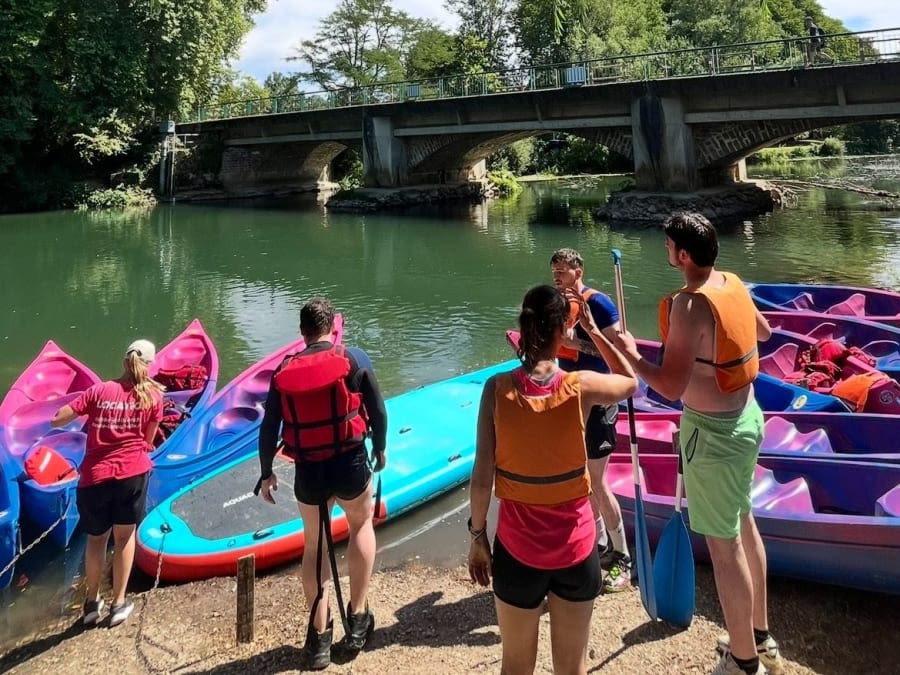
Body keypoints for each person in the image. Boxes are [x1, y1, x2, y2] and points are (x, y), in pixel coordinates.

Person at [613, 213, 782, 675]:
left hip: (714, 433)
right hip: (748, 418)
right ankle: (760, 638)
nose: (666, 251)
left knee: (725, 549)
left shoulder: (690, 305)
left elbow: (668, 386)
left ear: (682, 255)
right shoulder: (732, 282)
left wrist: (631, 356)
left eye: (669, 246)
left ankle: (744, 662)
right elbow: (763, 333)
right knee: (744, 523)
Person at [468, 284, 637, 675]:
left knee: (515, 666)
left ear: (523, 328)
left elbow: (481, 477)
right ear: (563, 330)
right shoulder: (582, 387)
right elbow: (630, 380)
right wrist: (595, 332)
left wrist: (478, 538)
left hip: (517, 551)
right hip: (577, 553)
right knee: (571, 668)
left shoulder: (496, 390)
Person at [257, 297, 387, 670]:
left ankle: (319, 639)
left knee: (314, 543)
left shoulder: (284, 369)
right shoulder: (354, 358)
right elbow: (377, 409)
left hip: (309, 470)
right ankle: (358, 619)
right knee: (361, 525)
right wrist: (380, 448)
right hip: (349, 462)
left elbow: (269, 429)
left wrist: (267, 472)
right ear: (333, 327)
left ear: (302, 333)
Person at [51, 339, 164, 628]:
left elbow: (57, 420)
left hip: (95, 478)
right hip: (132, 475)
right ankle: (118, 604)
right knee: (124, 539)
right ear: (148, 365)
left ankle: (90, 604)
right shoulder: (153, 396)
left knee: (95, 541)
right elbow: (148, 442)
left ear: (124, 362)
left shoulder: (99, 390)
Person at [549, 248, 632, 592]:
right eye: (554, 271)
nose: (558, 276)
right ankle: (594, 545)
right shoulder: (556, 303)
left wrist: (578, 343)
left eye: (564, 271)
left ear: (579, 270)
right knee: (577, 478)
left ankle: (622, 555)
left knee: (596, 481)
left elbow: (617, 354)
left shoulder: (598, 304)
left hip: (598, 398)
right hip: (569, 396)